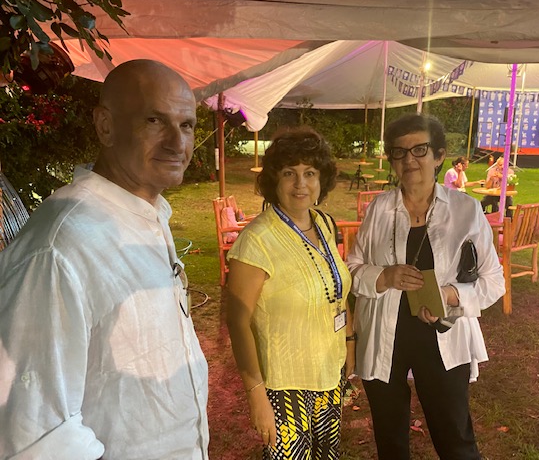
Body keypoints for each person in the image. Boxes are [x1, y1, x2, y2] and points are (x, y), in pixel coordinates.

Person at [0, 60, 209, 458]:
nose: (177, 143)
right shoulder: (62, 245)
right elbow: (32, 433)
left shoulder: (145, 215)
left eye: (186, 125)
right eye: (154, 120)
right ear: (105, 126)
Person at [347, 114, 505, 460]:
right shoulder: (379, 209)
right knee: (390, 441)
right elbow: (352, 270)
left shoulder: (465, 210)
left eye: (419, 149)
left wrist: (450, 295)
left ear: (439, 156)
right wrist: (384, 277)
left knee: (455, 440)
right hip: (384, 337)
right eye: (399, 152)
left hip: (443, 336)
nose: (409, 160)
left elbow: (494, 281)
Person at [225, 127, 354, 460]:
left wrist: (349, 345)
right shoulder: (257, 240)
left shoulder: (323, 224)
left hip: (329, 373)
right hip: (284, 386)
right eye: (289, 173)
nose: (300, 184)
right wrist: (256, 394)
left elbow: (337, 292)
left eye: (309, 173)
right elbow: (238, 323)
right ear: (274, 179)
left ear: (322, 179)